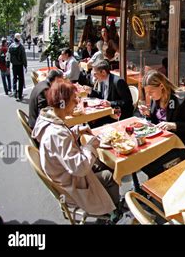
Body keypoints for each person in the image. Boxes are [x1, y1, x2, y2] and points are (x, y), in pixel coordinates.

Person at [32, 81, 119, 216]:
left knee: (101, 164)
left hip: (62, 175)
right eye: (74, 100)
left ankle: (111, 204)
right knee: (109, 176)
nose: (77, 103)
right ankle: (115, 214)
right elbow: (80, 168)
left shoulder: (47, 119)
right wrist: (90, 146)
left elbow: (59, 144)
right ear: (63, 104)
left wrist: (76, 131)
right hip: (71, 187)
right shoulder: (57, 133)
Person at [139, 70, 185, 178]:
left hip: (180, 145)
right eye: (147, 92)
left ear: (161, 86)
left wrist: (172, 125)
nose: (149, 96)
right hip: (161, 143)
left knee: (150, 165)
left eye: (151, 92)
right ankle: (152, 187)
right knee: (141, 160)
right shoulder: (155, 99)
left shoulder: (182, 98)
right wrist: (148, 114)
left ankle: (159, 188)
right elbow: (156, 122)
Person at [8, 33, 27, 101]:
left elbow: (8, 56)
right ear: (19, 39)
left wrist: (9, 63)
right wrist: (25, 65)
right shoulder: (21, 47)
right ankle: (20, 95)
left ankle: (15, 93)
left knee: (14, 79)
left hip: (14, 65)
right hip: (20, 65)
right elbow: (24, 57)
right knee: (21, 80)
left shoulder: (11, 46)